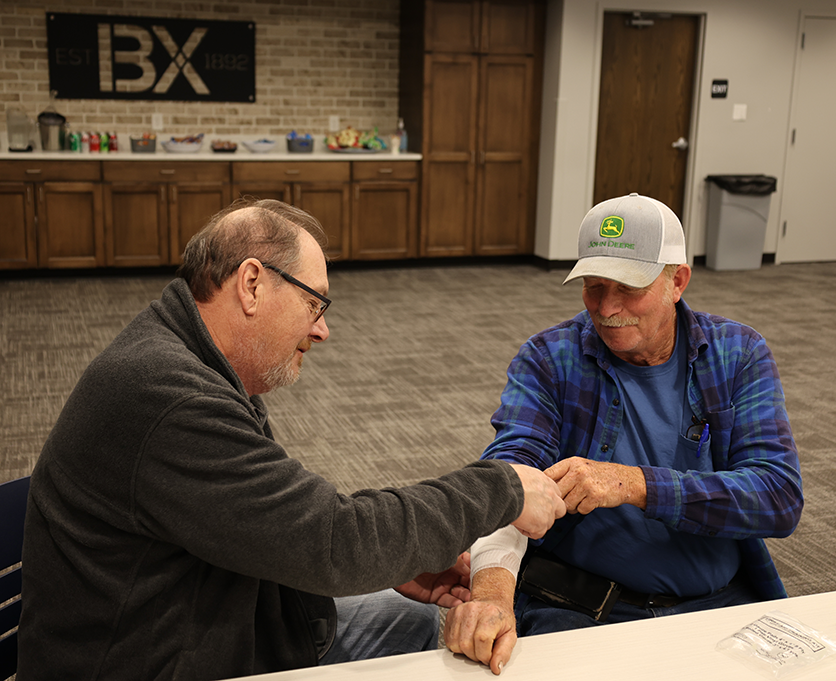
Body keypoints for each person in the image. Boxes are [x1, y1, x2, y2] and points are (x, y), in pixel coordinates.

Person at [17, 198, 566, 681]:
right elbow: (334, 541)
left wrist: (395, 563)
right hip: (147, 662)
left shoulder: (192, 360)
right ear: (252, 284)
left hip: (209, 616)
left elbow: (279, 528)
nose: (322, 329)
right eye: (313, 303)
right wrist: (502, 489)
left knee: (419, 621)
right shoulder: (169, 398)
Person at [444, 192, 803, 674]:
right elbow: (510, 475)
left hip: (717, 601)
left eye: (628, 287)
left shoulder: (737, 354)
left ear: (677, 281)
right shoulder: (551, 359)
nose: (607, 307)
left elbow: (778, 497)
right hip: (580, 606)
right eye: (593, 286)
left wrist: (635, 484)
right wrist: (491, 594)